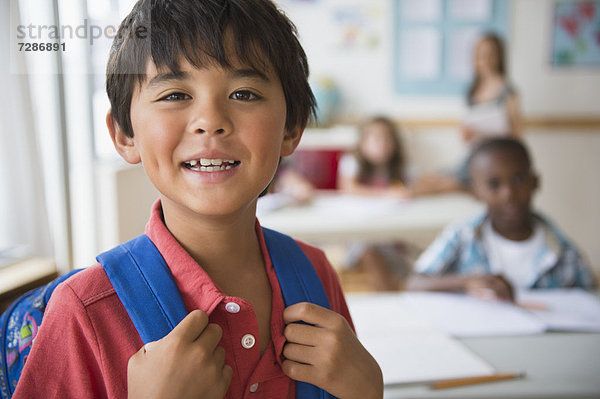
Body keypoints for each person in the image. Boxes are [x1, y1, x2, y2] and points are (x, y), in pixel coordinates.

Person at [13, 1, 383, 398]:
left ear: (292, 127)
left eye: (244, 93)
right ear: (125, 134)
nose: (210, 119)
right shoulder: (84, 312)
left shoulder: (315, 273)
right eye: (174, 94)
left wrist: (367, 390)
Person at [406, 138, 596, 301]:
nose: (508, 194)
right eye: (494, 185)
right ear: (475, 192)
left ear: (535, 182)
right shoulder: (462, 236)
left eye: (518, 179)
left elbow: (589, 301)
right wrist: (465, 281)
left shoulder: (563, 251)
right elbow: (413, 283)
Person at [337, 116, 418, 291]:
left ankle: (398, 293)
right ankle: (387, 297)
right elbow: (348, 188)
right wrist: (387, 194)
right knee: (370, 251)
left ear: (395, 143)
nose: (381, 143)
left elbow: (411, 192)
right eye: (374, 137)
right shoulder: (352, 161)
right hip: (361, 234)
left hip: (393, 236)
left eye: (387, 137)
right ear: (362, 142)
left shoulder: (403, 168)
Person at [461, 33, 522, 144]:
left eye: (490, 54)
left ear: (499, 56)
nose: (485, 60)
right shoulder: (471, 90)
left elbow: (517, 133)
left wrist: (483, 136)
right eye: (481, 55)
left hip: (500, 153)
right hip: (475, 153)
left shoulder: (508, 91)